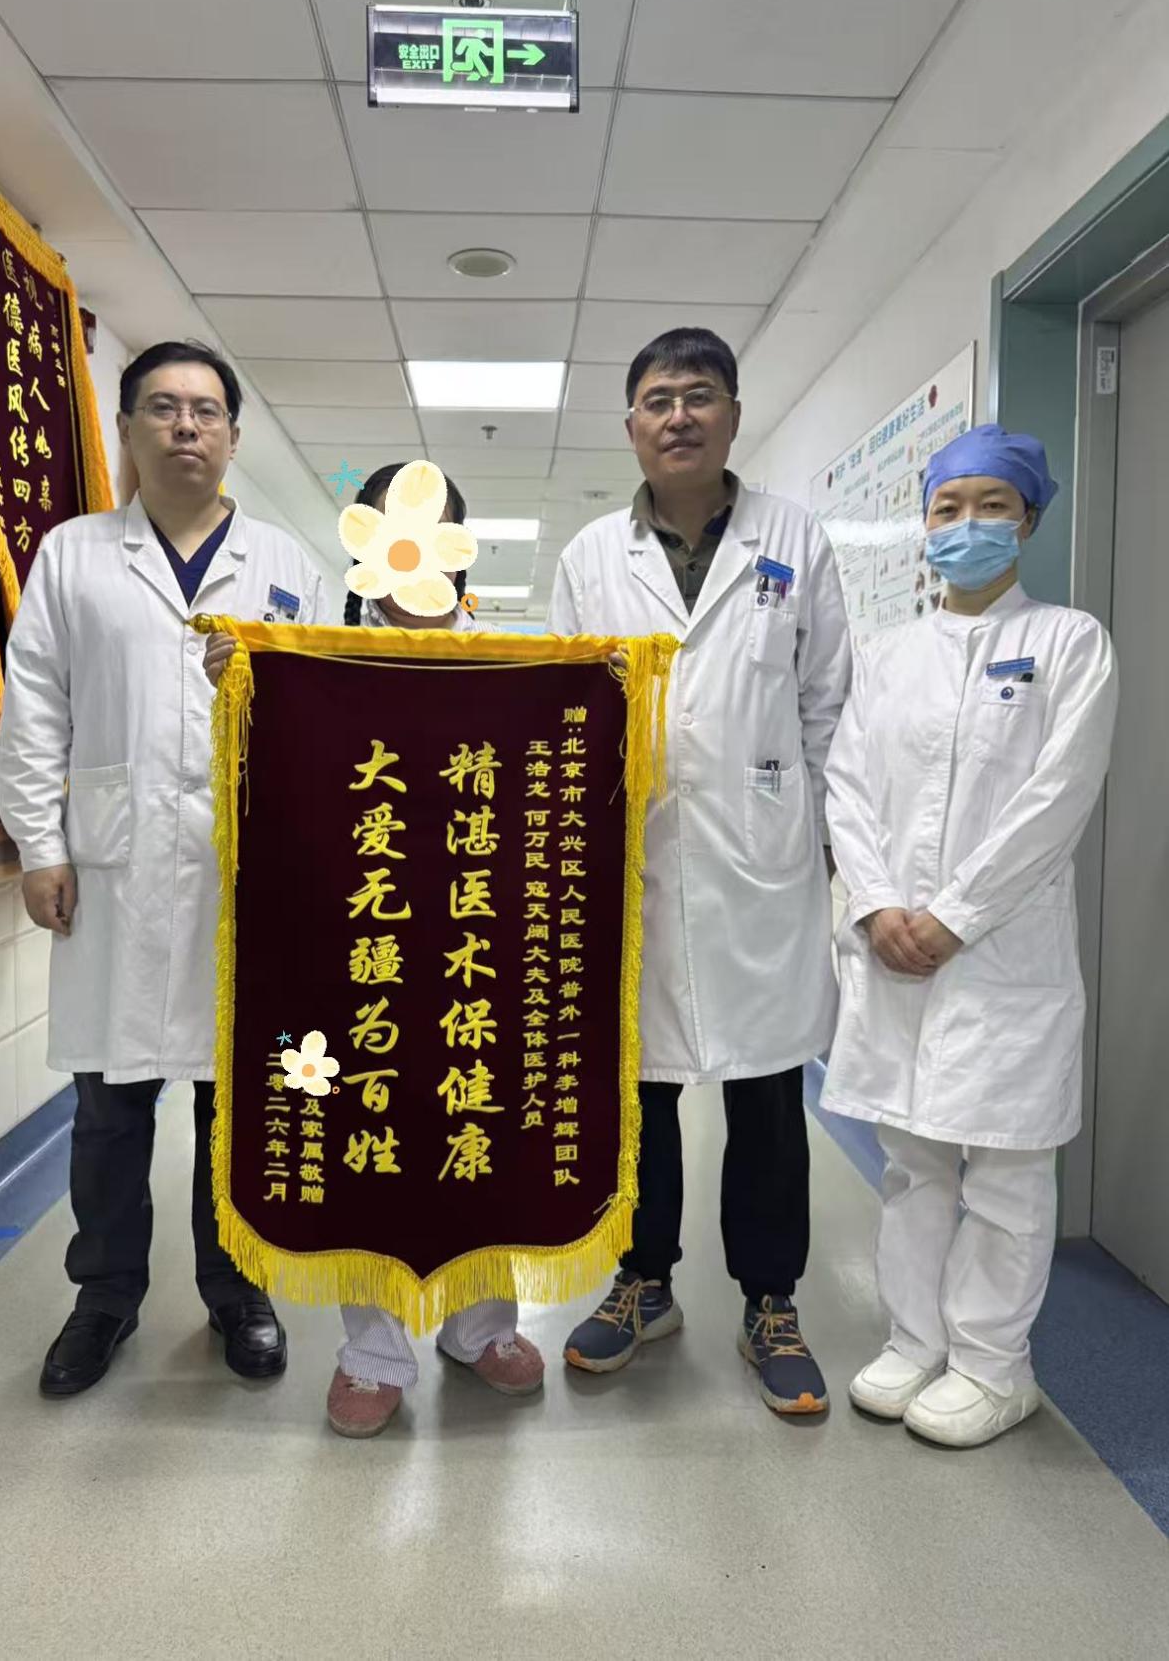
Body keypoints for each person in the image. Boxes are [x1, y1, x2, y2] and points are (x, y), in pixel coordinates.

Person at [0, 340, 330, 1397]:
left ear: (234, 434)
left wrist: (266, 681)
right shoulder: (74, 554)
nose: (187, 426)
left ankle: (240, 1291)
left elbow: (334, 723)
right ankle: (103, 1296)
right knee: (109, 1108)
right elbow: (34, 704)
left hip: (248, 878)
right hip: (117, 873)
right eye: (163, 407)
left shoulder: (288, 565)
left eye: (206, 410)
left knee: (241, 1106)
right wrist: (41, 845)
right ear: (127, 429)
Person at [206, 461, 545, 1439]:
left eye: (433, 528)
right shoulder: (321, 664)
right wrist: (239, 691)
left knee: (479, 1134)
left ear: (459, 549)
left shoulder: (510, 668)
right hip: (359, 950)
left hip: (477, 948)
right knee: (370, 1136)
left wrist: (608, 692)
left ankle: (481, 1327)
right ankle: (374, 1350)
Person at [547, 328, 851, 1415]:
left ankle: (771, 1300)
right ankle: (644, 1281)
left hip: (761, 863)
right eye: (658, 399)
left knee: (767, 1094)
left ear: (732, 414)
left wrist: (828, 850)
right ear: (630, 424)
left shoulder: (793, 538)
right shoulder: (591, 556)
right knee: (639, 1093)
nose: (678, 415)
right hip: (632, 863)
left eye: (700, 395)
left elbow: (827, 705)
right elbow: (560, 711)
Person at [823, 424, 1118, 1448]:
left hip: (999, 950)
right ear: (924, 525)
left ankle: (994, 1366)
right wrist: (873, 903)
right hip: (892, 943)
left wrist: (953, 914)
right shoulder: (887, 655)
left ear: (1026, 520)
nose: (966, 525)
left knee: (1003, 1166)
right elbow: (848, 785)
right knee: (912, 1160)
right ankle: (913, 1339)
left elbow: (1056, 796)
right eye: (947, 508)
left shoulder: (1070, 642)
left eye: (991, 505)